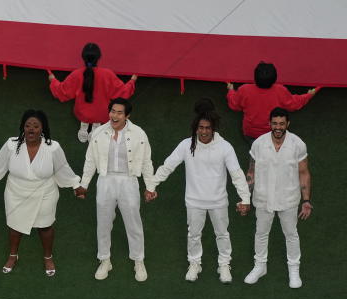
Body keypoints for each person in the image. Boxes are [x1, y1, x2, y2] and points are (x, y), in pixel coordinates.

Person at [0, 109, 83, 275]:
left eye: (36, 126)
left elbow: (62, 168)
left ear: (42, 129)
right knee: (15, 227)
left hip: (45, 192)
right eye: (27, 126)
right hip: (15, 192)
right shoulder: (11, 145)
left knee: (45, 227)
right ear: (22, 127)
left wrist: (75, 185)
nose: (31, 129)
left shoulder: (53, 148)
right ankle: (13, 255)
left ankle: (48, 257)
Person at [153, 100, 250, 283]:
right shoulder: (185, 145)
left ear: (213, 128)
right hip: (194, 201)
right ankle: (194, 263)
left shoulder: (225, 147)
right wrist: (152, 185)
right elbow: (168, 166)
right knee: (194, 234)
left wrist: (245, 198)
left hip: (218, 201)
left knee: (222, 234)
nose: (204, 131)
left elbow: (236, 174)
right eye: (201, 127)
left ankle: (224, 264)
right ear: (196, 128)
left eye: (207, 128)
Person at [79, 98, 157, 282]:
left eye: (119, 112)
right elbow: (90, 160)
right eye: (112, 111)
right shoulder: (98, 132)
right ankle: (104, 260)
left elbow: (147, 162)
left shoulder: (139, 134)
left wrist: (150, 187)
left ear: (127, 115)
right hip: (105, 180)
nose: (114, 115)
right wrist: (84, 184)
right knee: (104, 223)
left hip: (128, 181)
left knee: (133, 222)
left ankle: (138, 260)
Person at [243, 108, 311, 289]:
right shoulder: (258, 143)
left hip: (289, 198)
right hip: (263, 198)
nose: (278, 127)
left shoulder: (298, 144)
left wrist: (306, 201)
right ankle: (260, 266)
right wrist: (245, 197)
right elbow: (251, 172)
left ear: (287, 124)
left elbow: (303, 173)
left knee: (291, 234)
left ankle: (294, 270)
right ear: (269, 124)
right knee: (261, 233)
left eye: (282, 123)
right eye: (275, 123)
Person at [48, 43, 136, 143]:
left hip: (82, 112)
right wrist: (132, 81)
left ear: (83, 57)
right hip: (101, 112)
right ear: (98, 57)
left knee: (84, 120)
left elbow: (62, 91)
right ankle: (95, 130)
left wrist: (53, 80)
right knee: (97, 121)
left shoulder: (76, 74)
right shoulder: (107, 74)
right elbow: (122, 92)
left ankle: (84, 128)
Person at [226, 62, 318, 141]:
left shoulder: (244, 90)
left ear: (255, 78)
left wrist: (231, 91)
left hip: (250, 133)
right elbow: (293, 104)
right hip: (273, 133)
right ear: (274, 79)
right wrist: (308, 95)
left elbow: (234, 104)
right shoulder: (280, 90)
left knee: (255, 147)